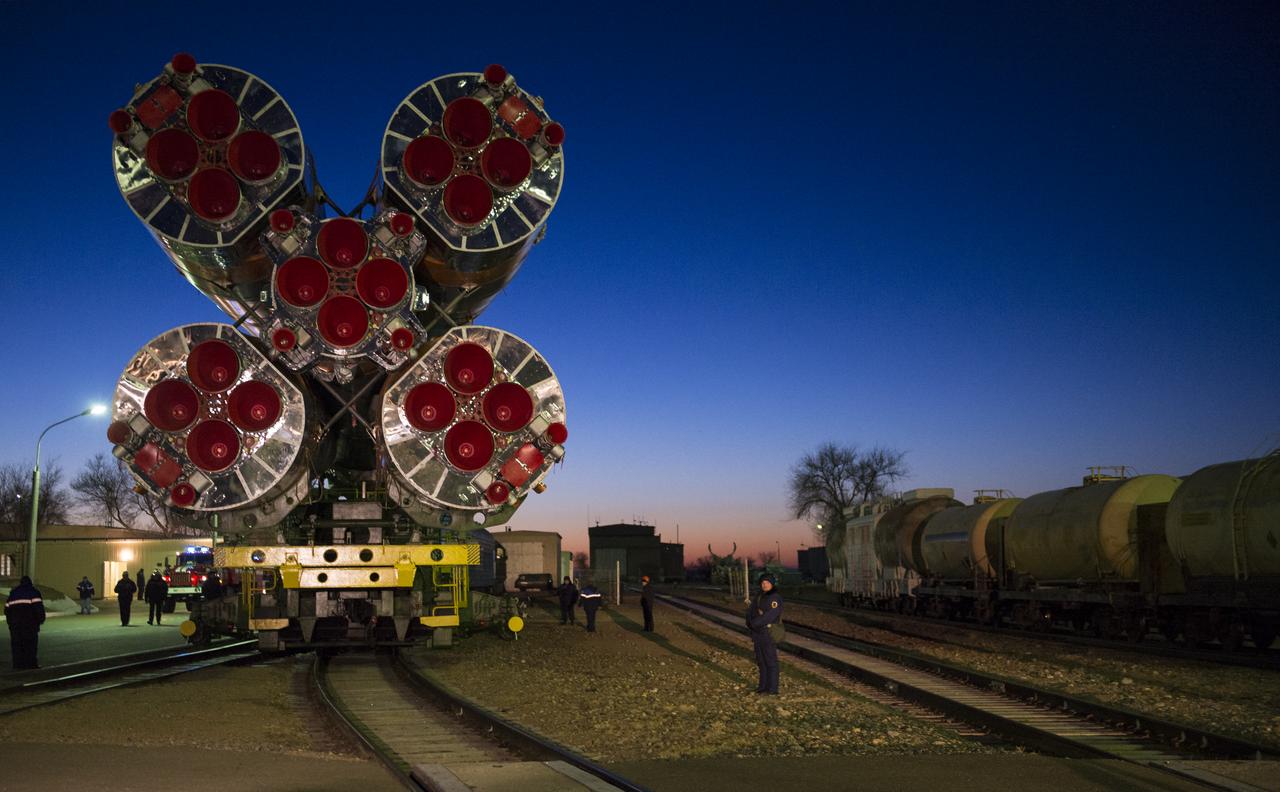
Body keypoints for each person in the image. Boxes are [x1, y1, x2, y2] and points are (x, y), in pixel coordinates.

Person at [746, 573, 783, 695]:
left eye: (767, 582)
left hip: (768, 633)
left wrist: (754, 622)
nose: (764, 585)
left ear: (772, 584)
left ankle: (772, 689)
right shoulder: (759, 596)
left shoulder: (775, 598)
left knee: (770, 662)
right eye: (763, 583)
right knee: (761, 662)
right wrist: (750, 622)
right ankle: (762, 687)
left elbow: (770, 615)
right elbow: (751, 611)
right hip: (757, 633)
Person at [5, 576, 46, 669]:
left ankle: (17, 665)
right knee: (30, 645)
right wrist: (41, 620)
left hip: (15, 625)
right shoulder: (33, 592)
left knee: (17, 645)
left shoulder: (13, 593)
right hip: (29, 625)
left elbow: (7, 610)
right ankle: (31, 664)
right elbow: (38, 608)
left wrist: (10, 623)